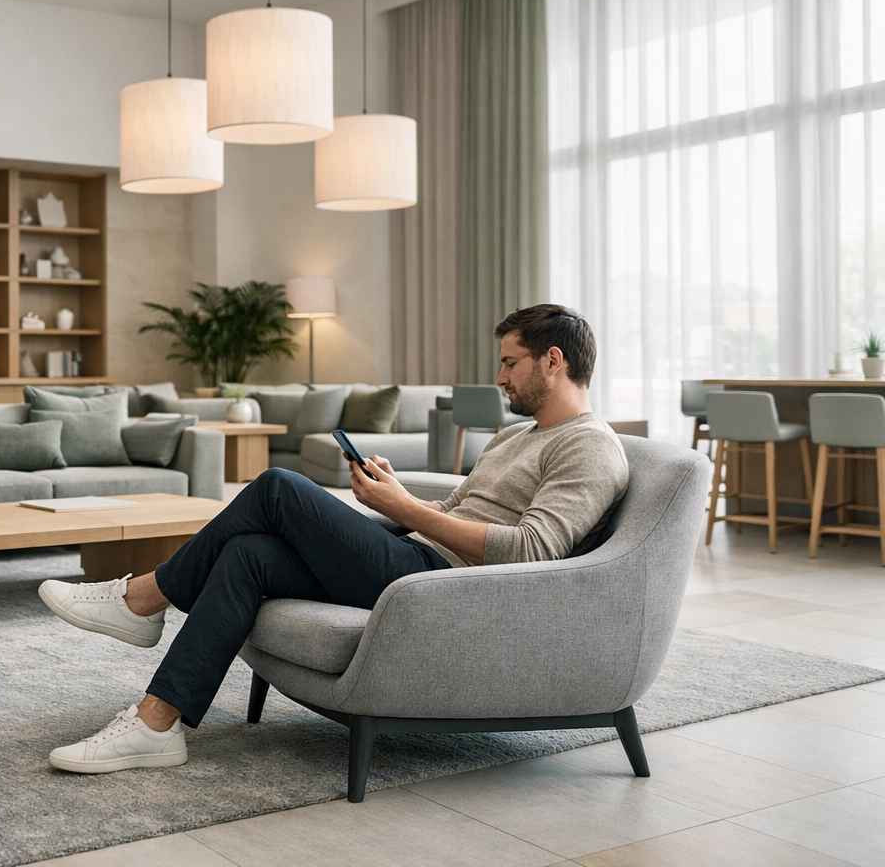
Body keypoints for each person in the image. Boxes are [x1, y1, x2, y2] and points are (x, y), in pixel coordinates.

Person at [37, 304, 630, 774]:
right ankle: (156, 724)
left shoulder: (589, 446)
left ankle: (142, 599)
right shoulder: (513, 437)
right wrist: (398, 498)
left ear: (553, 361)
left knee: (277, 486)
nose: (500, 377)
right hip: (417, 559)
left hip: (445, 587)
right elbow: (454, 511)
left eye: (510, 363)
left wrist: (406, 511)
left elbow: (531, 550)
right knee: (248, 554)